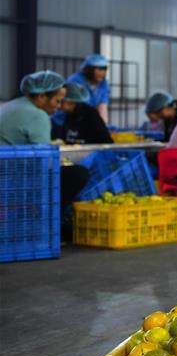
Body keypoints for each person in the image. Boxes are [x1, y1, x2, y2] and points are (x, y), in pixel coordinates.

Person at [0, 71, 90, 241]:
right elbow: (44, 162)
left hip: (7, 171)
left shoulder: (13, 105)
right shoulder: (37, 115)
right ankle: (49, 225)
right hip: (9, 179)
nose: (59, 106)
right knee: (78, 174)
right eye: (57, 100)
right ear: (41, 97)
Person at [66, 54, 111, 123]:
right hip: (67, 121)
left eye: (105, 69)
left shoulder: (103, 83)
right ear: (90, 69)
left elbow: (102, 107)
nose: (103, 72)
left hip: (86, 120)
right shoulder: (76, 80)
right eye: (100, 69)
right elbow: (73, 107)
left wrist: (104, 127)